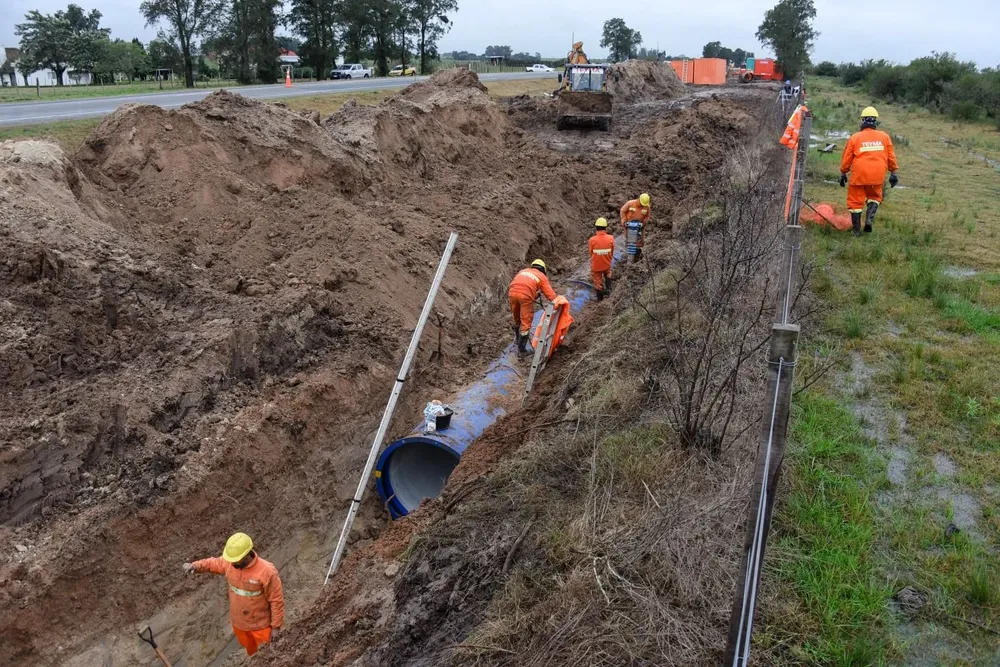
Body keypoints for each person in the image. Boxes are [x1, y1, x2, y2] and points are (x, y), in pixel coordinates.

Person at [183, 533, 284, 656]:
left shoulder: (267, 571)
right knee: (253, 657)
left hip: (261, 627)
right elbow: (212, 563)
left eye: (235, 560)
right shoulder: (230, 563)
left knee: (268, 656)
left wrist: (276, 628)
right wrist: (195, 565)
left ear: (246, 555)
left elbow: (276, 600)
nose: (231, 563)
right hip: (240, 625)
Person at [839, 106, 899, 235]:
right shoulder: (884, 137)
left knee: (855, 202)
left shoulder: (855, 137)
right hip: (877, 175)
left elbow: (847, 158)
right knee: (874, 197)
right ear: (875, 121)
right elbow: (891, 156)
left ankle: (856, 231)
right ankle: (868, 221)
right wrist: (893, 173)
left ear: (862, 121)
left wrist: (843, 172)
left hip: (859, 175)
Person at [508, 259, 558, 358]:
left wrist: (534, 295)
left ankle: (518, 340)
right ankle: (522, 351)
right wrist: (558, 303)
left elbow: (522, 287)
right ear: (543, 269)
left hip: (512, 293)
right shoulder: (542, 277)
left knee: (516, 317)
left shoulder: (523, 271)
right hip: (525, 296)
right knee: (526, 321)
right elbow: (551, 295)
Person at [588, 217, 615, 300]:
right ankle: (609, 290)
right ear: (605, 227)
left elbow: (590, 252)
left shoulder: (592, 240)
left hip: (596, 266)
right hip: (607, 263)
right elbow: (612, 251)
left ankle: (600, 297)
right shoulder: (611, 238)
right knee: (608, 273)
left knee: (597, 280)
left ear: (596, 227)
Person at [620, 193, 651, 260]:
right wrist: (624, 221)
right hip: (629, 224)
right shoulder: (630, 203)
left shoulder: (647, 207)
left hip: (639, 226)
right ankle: (628, 255)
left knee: (640, 241)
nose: (643, 205)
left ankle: (636, 255)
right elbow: (622, 211)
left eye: (644, 205)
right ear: (639, 199)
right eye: (642, 204)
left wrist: (644, 222)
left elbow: (647, 216)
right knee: (628, 240)